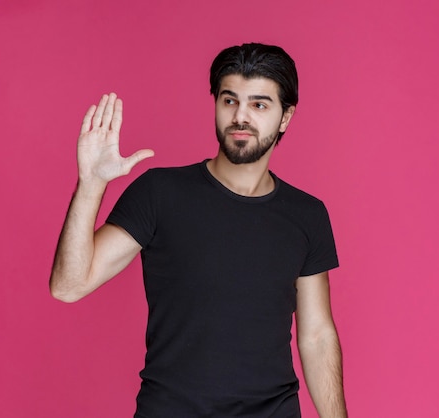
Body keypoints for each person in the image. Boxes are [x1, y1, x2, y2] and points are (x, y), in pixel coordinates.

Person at [50, 43, 347, 417]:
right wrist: (91, 185)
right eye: (229, 101)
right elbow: (68, 285)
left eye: (259, 104)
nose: (241, 117)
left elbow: (317, 335)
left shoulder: (307, 215)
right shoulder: (160, 193)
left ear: (285, 117)